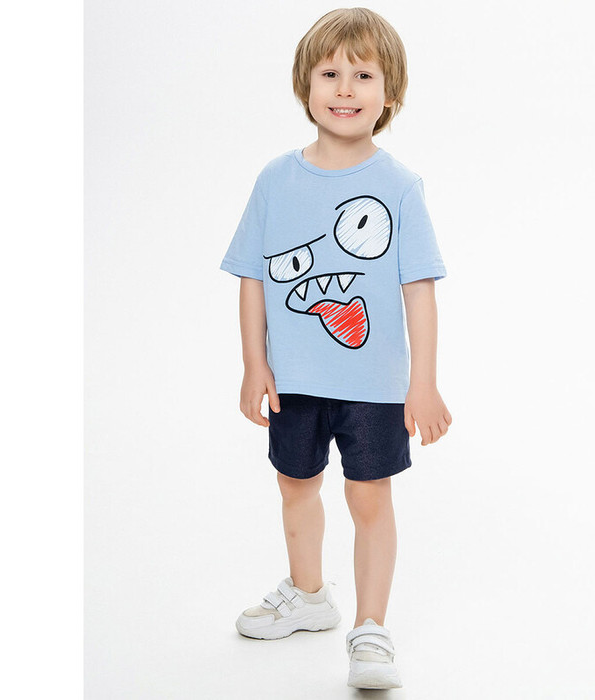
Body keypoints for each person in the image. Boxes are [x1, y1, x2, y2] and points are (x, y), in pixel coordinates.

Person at [219, 7, 452, 690]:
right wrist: (254, 363)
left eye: (363, 75)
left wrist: (423, 383)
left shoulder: (399, 186)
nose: (345, 89)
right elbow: (253, 277)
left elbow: (419, 291)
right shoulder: (275, 180)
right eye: (330, 73)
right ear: (306, 84)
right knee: (295, 484)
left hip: (374, 385)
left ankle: (370, 628)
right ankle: (308, 594)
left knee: (369, 497)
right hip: (294, 379)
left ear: (390, 91)